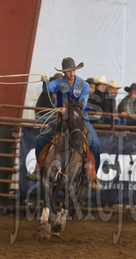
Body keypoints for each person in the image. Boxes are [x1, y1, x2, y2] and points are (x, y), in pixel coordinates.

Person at [26, 57, 101, 191]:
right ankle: (39, 170)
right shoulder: (58, 82)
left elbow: (83, 105)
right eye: (68, 71)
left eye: (72, 70)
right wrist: (45, 81)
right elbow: (47, 89)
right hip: (61, 120)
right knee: (40, 139)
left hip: (79, 119)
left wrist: (69, 109)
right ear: (64, 72)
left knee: (96, 144)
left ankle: (93, 177)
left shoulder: (84, 85)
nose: (71, 73)